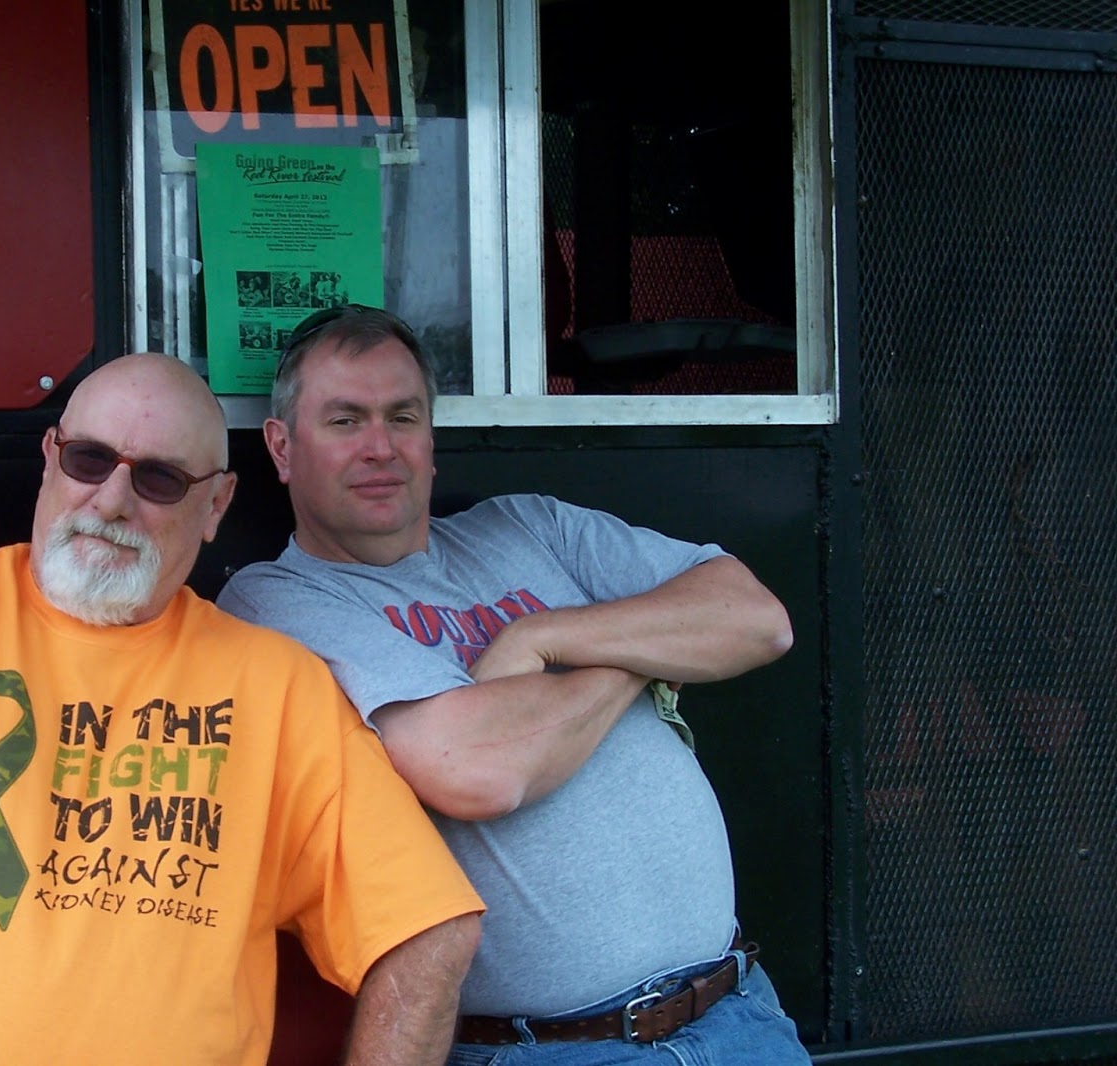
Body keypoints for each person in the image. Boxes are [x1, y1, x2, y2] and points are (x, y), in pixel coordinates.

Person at [0, 353, 484, 1065]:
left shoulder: (277, 687)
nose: (111, 501)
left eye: (160, 480)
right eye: (88, 460)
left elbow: (428, 927)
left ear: (216, 505)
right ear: (50, 460)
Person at [217, 307, 814, 1063]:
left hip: (739, 1014)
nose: (380, 446)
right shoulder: (277, 601)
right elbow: (479, 770)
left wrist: (544, 637)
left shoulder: (529, 527)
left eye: (403, 416)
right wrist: (643, 656)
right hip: (556, 1048)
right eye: (345, 420)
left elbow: (759, 620)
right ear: (282, 446)